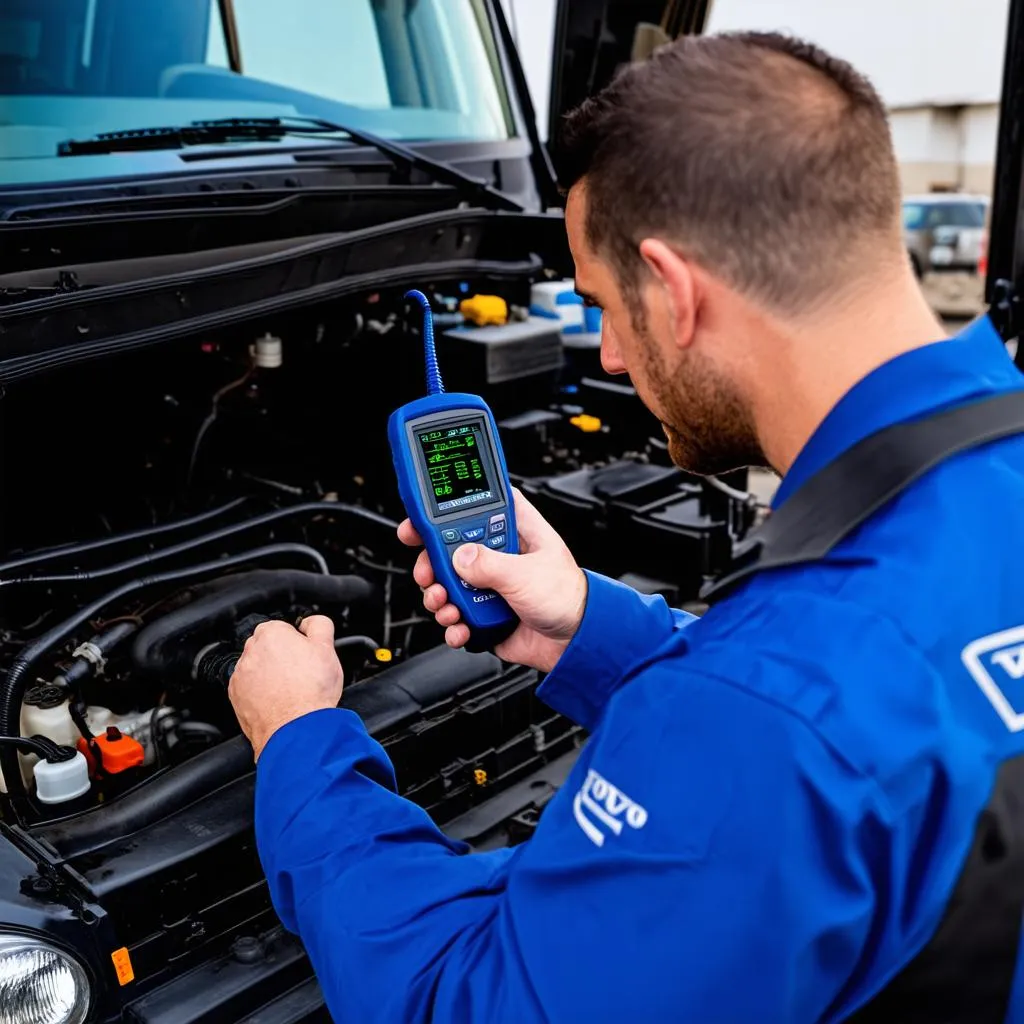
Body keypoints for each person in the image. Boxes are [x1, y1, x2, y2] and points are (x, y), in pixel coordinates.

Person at [228, 31, 1024, 1023]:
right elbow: (882, 704)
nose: (602, 353)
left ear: (675, 289)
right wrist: (591, 633)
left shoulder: (760, 716)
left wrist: (302, 744)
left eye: (603, 305)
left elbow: (464, 1003)